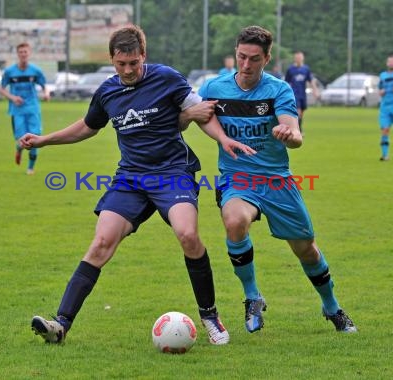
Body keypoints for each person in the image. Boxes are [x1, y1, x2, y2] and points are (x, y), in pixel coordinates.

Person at [20, 25, 254, 345]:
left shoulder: (167, 78)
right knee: (101, 243)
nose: (128, 70)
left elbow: (199, 111)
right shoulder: (107, 92)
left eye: (134, 63)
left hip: (173, 172)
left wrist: (223, 138)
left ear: (143, 55)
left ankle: (210, 316)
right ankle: (60, 324)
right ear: (112, 60)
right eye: (121, 64)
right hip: (130, 178)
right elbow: (88, 127)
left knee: (188, 235)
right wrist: (45, 141)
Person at [193, 25, 357, 334]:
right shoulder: (214, 87)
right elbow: (197, 115)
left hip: (276, 180)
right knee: (234, 221)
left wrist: (289, 135)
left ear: (267, 58)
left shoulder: (279, 90)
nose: (245, 65)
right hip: (237, 177)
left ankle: (331, 306)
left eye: (254, 59)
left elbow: (295, 135)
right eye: (241, 57)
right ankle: (252, 296)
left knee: (307, 249)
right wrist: (208, 127)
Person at [0, 42, 50, 175]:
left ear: (29, 53)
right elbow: (1, 89)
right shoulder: (10, 72)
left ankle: (30, 168)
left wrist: (46, 93)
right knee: (22, 140)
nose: (23, 54)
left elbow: (45, 85)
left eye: (25, 52)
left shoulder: (36, 71)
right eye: (20, 52)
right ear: (18, 54)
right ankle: (19, 149)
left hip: (33, 108)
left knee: (35, 137)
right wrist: (13, 97)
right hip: (18, 110)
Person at [284, 51, 320, 134]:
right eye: (297, 58)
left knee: (302, 112)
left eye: (300, 57)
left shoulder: (306, 69)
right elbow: (286, 83)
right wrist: (285, 94)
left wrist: (315, 91)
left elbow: (311, 81)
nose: (298, 59)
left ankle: (298, 128)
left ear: (302, 58)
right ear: (295, 59)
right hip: (294, 94)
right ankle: (298, 130)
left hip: (302, 94)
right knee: (298, 112)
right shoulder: (290, 69)